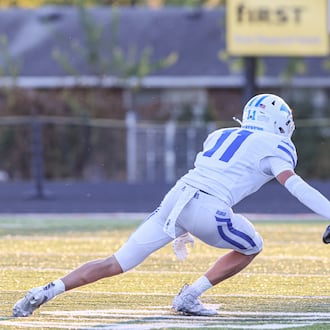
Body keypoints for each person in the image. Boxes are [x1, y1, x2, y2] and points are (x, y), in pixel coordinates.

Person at [12, 93, 330, 317]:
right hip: (208, 207)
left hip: (176, 198)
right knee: (252, 246)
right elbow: (295, 186)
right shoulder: (276, 146)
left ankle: (46, 290)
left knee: (116, 262)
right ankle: (190, 296)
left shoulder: (220, 135)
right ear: (279, 123)